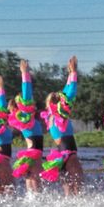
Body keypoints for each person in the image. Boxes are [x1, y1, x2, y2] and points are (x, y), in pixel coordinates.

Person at [40, 56, 83, 196]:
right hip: (70, 154)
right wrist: (74, 73)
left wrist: (70, 74)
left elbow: (65, 94)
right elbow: (70, 94)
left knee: (68, 193)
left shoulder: (51, 117)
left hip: (61, 156)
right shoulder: (60, 116)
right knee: (78, 190)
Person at [8, 60, 43, 192]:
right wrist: (25, 73)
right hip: (34, 152)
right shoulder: (26, 117)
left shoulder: (24, 121)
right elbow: (27, 92)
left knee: (31, 185)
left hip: (30, 151)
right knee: (36, 186)